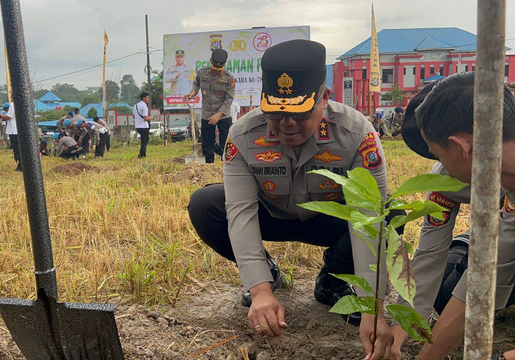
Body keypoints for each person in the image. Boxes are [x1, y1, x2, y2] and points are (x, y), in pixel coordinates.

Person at [188, 39, 399, 359]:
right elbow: (241, 212)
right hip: (271, 217)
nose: (286, 124)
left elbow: (366, 218)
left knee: (390, 215)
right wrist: (259, 290)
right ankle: (267, 273)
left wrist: (373, 306)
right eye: (275, 113)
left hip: (330, 220)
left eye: (299, 114)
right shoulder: (243, 135)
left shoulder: (356, 133)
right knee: (205, 205)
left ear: (324, 98)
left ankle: (334, 280)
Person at [384, 81, 515, 359]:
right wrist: (400, 329)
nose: (438, 165)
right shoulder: (448, 181)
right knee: (448, 294)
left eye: (437, 153)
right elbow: (437, 258)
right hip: (499, 244)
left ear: (459, 146)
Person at [184, 48, 235, 163]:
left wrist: (218, 114)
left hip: (223, 115)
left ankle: (225, 167)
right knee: (207, 145)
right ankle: (209, 166)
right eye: (215, 67)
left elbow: (229, 98)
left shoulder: (229, 78)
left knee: (226, 146)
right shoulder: (202, 73)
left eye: (220, 68)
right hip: (207, 114)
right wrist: (193, 92)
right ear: (210, 61)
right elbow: (196, 83)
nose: (217, 71)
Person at [0, 102, 20, 172]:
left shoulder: (13, 105)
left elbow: (8, 117)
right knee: (16, 149)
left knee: (17, 149)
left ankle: (20, 166)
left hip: (14, 131)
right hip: (14, 131)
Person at [134, 92, 154, 158]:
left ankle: (142, 154)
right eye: (147, 98)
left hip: (138, 126)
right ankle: (141, 155)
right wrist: (151, 117)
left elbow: (134, 116)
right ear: (144, 98)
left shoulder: (136, 105)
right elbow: (145, 118)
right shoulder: (144, 106)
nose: (148, 99)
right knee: (145, 141)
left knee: (144, 140)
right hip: (144, 126)